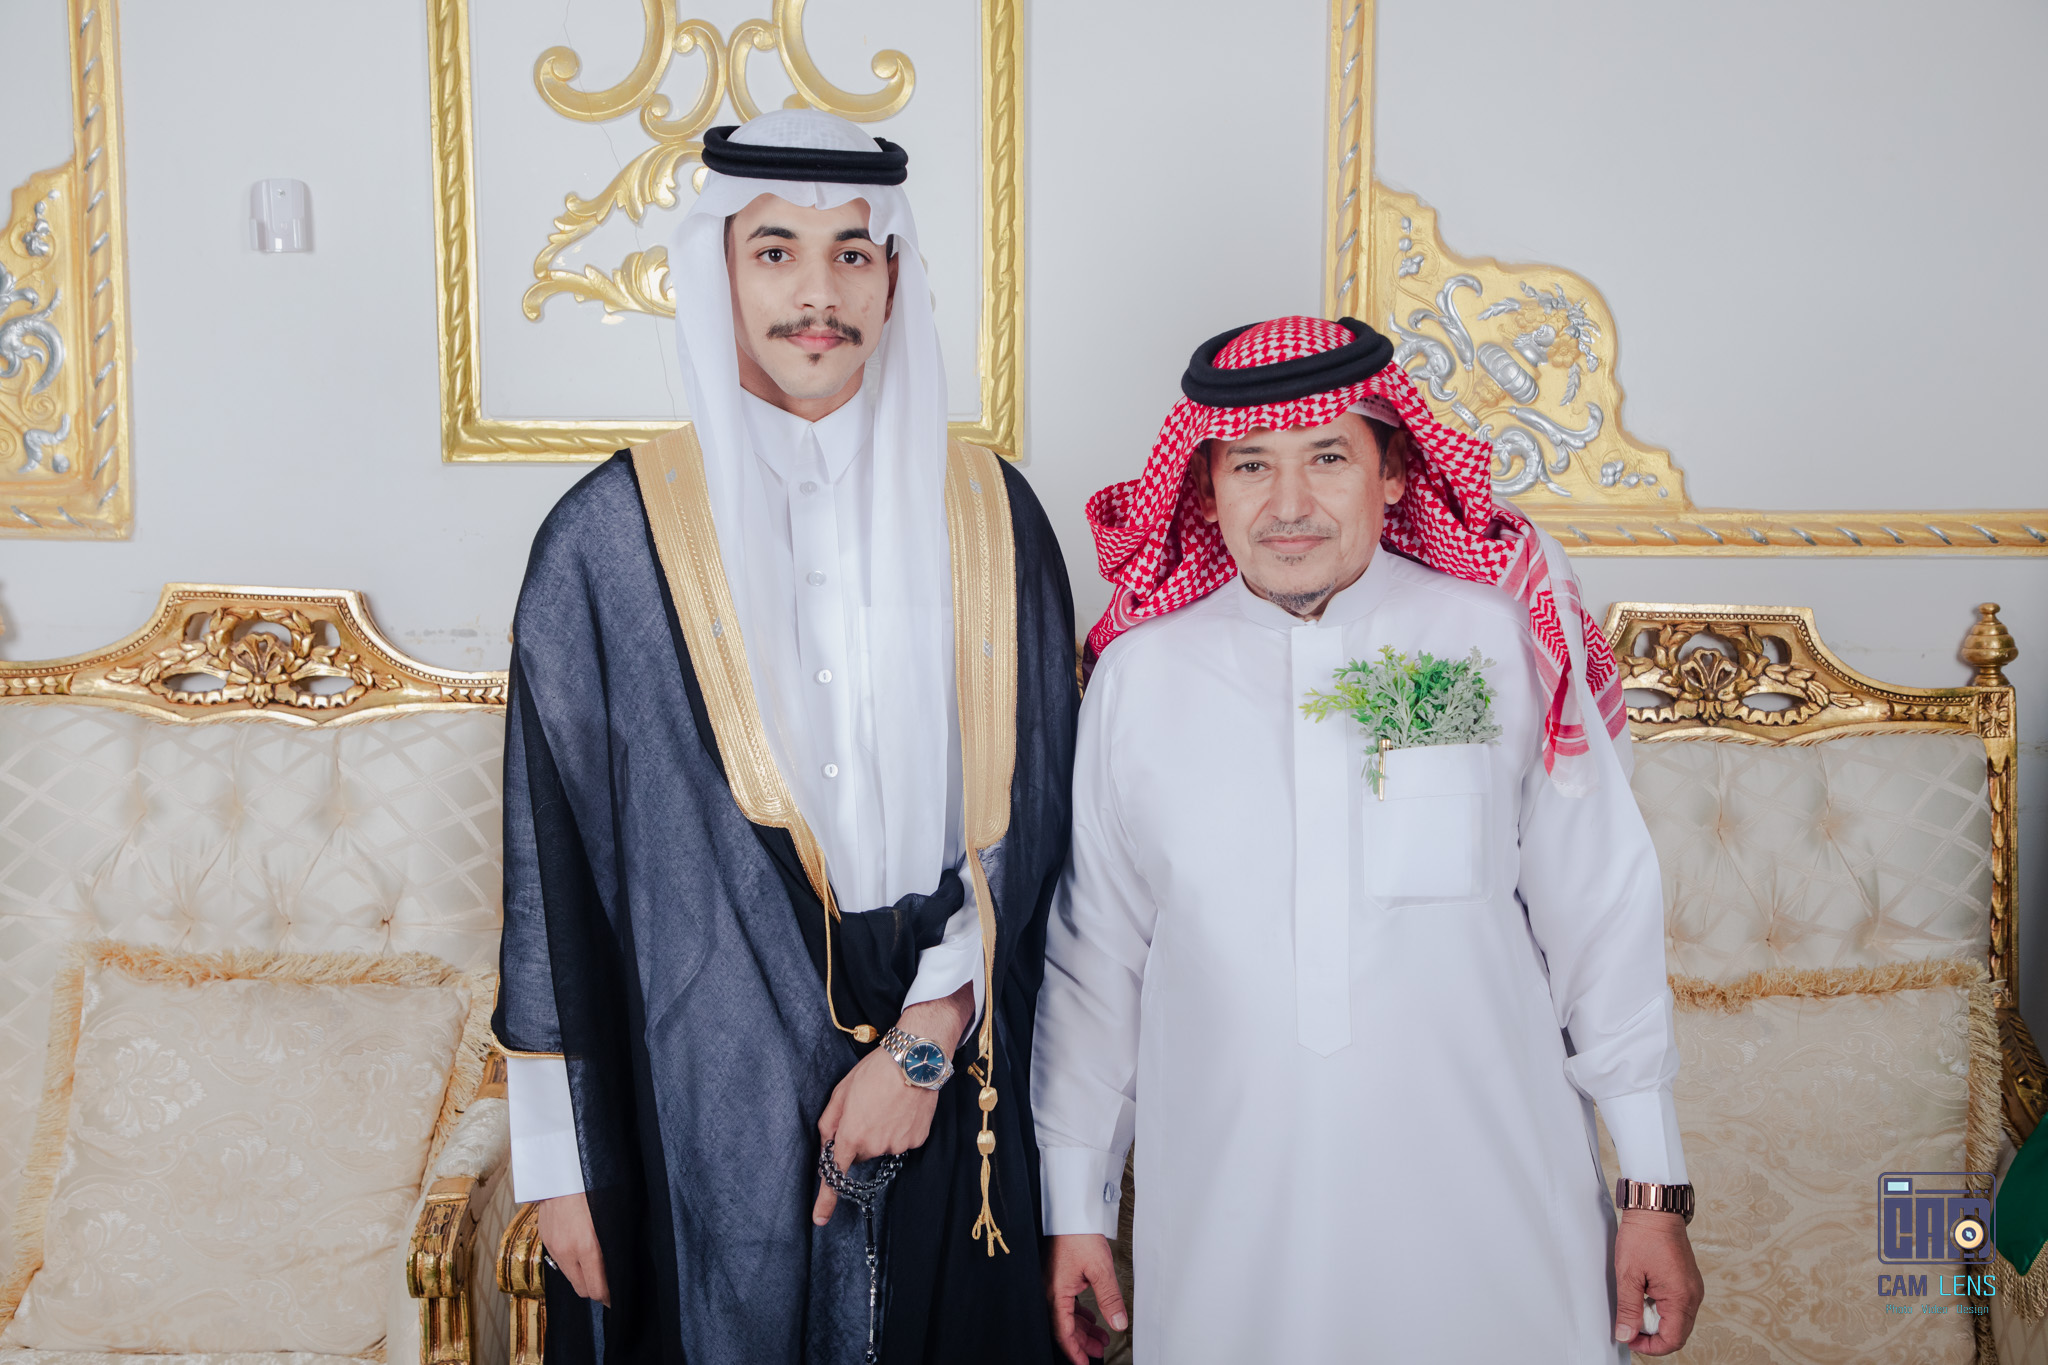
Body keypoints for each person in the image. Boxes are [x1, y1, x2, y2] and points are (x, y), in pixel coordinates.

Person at [494, 109, 1076, 1365]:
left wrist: (922, 1045)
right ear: (714, 270)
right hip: (701, 1072)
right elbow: (551, 868)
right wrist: (556, 1163)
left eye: (851, 254)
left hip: (948, 1063)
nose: (818, 294)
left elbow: (1035, 819)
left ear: (893, 278)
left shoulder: (989, 517)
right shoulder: (610, 538)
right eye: (774, 252)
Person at [1033, 316, 1704, 1363]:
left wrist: (1653, 1188)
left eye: (1328, 458)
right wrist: (1074, 1204)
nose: (1288, 504)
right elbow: (1096, 963)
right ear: (1204, 488)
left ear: (1392, 473)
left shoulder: (1497, 637)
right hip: (1230, 1218)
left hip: (1496, 1206)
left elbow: (1601, 915)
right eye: (1250, 465)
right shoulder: (1137, 677)